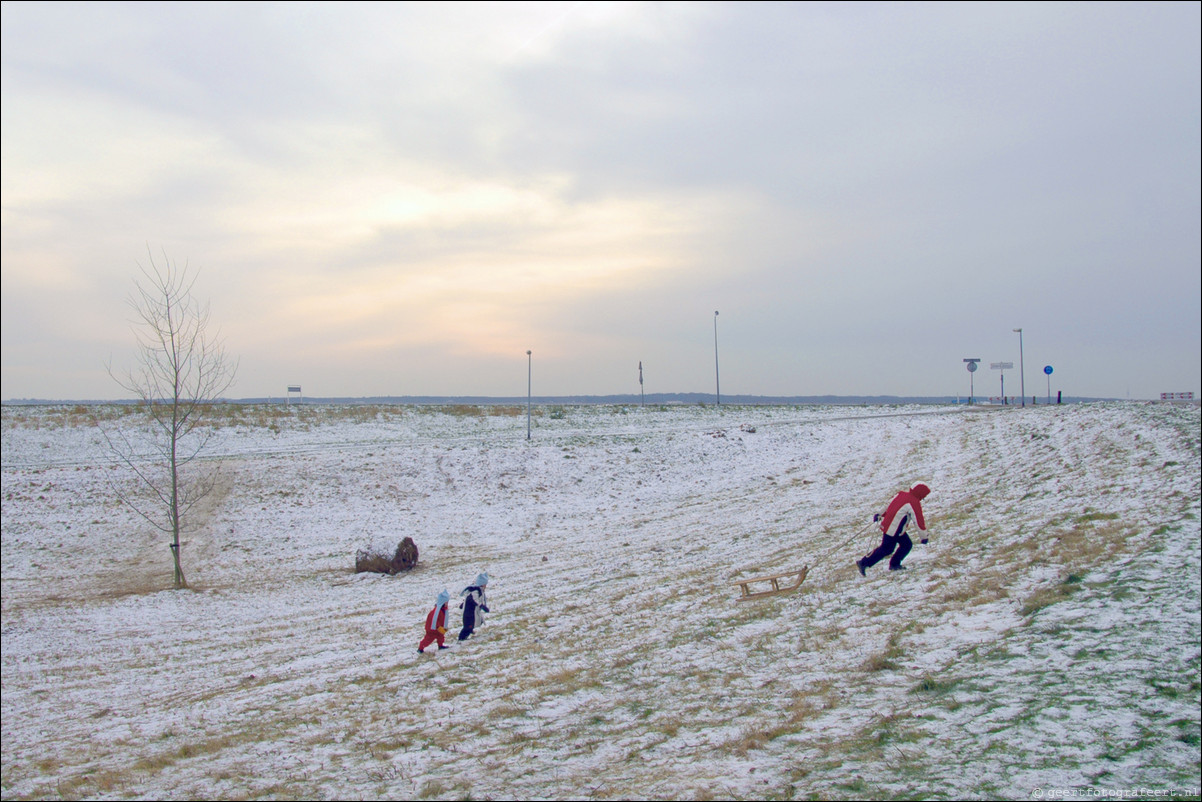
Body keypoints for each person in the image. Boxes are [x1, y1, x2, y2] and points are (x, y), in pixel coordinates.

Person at [857, 482, 930, 575]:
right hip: (894, 530)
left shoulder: (901, 494)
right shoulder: (914, 502)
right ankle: (863, 563)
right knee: (887, 549)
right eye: (924, 496)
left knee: (906, 545)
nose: (923, 498)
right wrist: (924, 537)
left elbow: (888, 504)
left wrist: (879, 514)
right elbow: (919, 522)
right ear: (920, 493)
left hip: (892, 527)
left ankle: (894, 564)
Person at [457, 572, 490, 641]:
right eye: (485, 584)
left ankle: (469, 631)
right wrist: (482, 606)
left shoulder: (478, 590)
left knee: (473, 623)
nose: (485, 586)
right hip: (469, 613)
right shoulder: (475, 591)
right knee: (467, 626)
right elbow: (474, 599)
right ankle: (461, 639)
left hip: (472, 612)